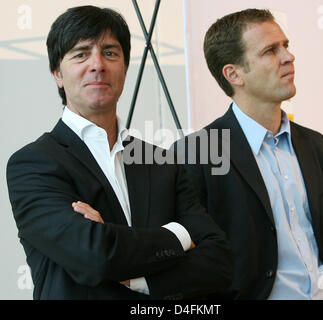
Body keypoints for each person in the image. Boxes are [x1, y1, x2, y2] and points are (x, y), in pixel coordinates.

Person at [6, 5, 235, 300]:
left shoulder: (161, 161)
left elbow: (219, 262)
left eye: (110, 53)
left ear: (125, 68)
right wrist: (180, 235)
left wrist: (137, 277)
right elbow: (93, 255)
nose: (97, 64)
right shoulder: (33, 163)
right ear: (57, 74)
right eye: (81, 54)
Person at [174, 8, 323, 299]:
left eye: (286, 46)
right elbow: (190, 269)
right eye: (270, 50)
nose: (288, 57)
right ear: (234, 74)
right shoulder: (196, 153)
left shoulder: (313, 144)